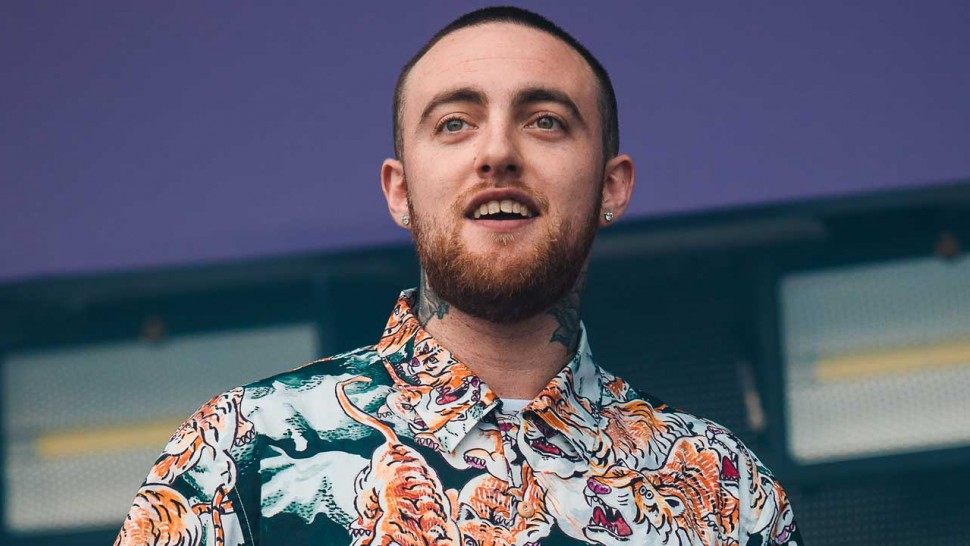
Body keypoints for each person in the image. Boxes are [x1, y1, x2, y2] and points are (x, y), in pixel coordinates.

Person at [116, 6, 801, 545]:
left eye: (545, 121)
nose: (497, 151)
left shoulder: (725, 491)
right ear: (400, 191)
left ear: (611, 187)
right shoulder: (240, 451)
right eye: (454, 123)